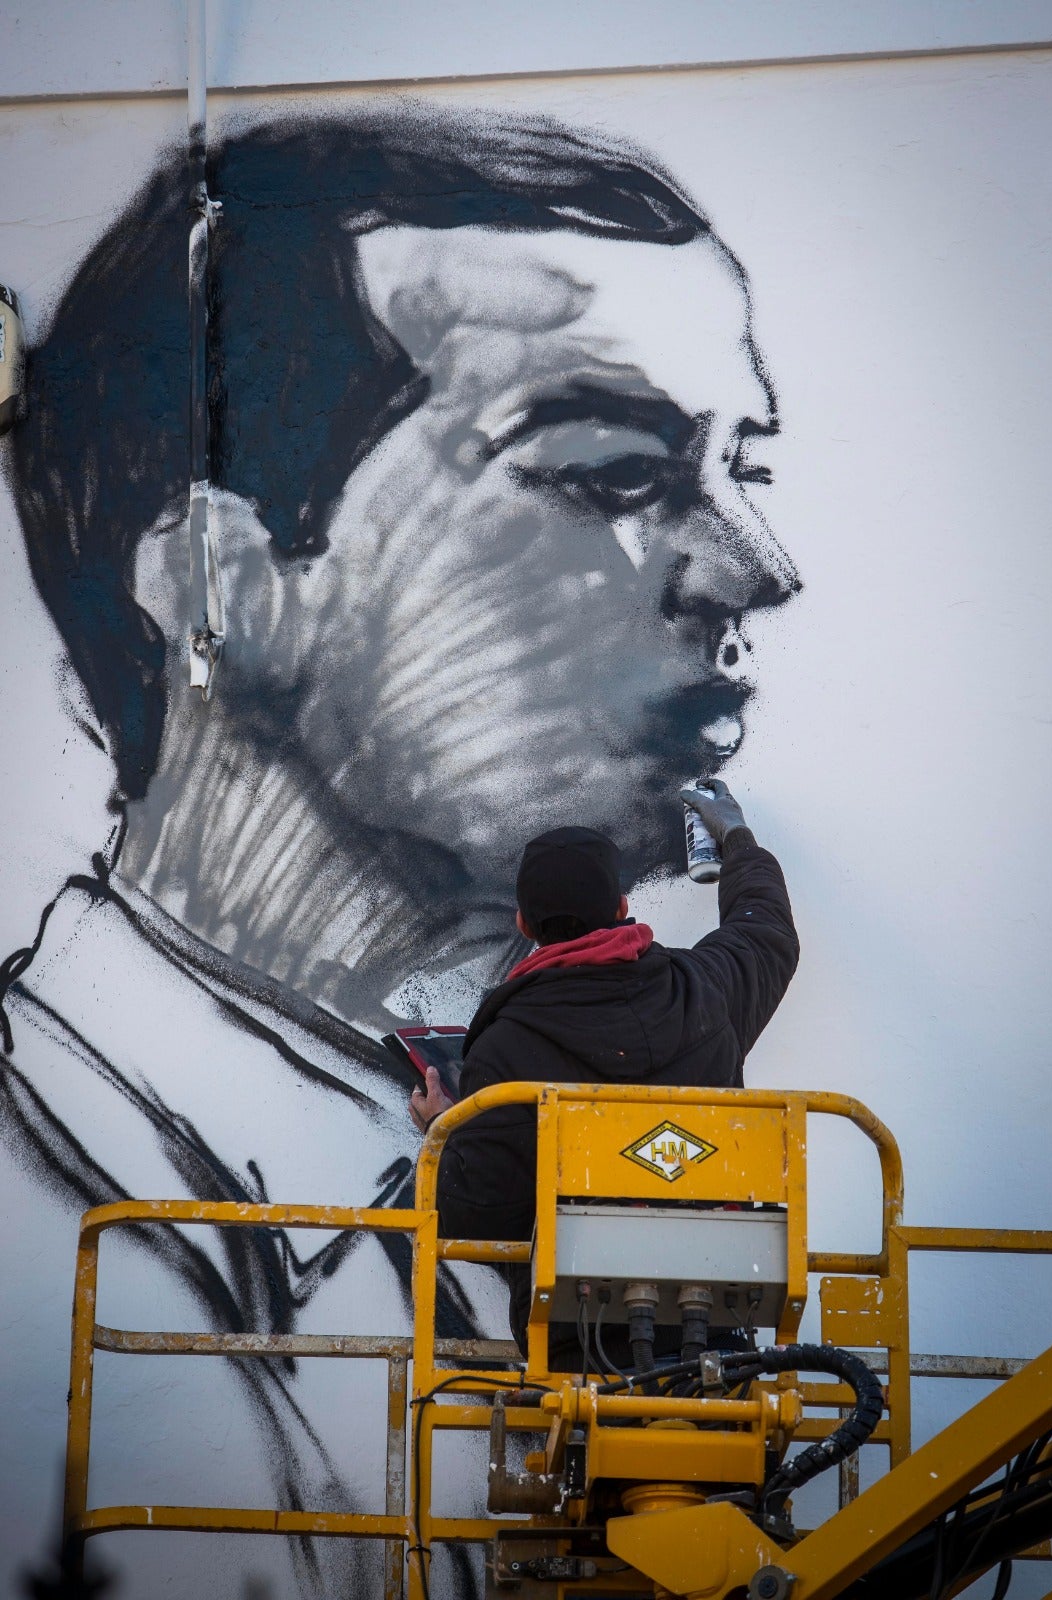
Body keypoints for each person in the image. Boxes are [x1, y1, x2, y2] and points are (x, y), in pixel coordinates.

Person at [1, 102, 798, 1596]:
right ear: (228, 584)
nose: (758, 568)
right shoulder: (42, 1219)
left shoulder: (461, 1118)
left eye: (747, 465)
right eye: (615, 475)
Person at [409, 780, 799, 1359]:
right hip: (717, 1332)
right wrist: (737, 839)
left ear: (523, 924)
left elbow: (473, 1214)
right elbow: (766, 935)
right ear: (621, 909)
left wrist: (443, 1131)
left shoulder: (508, 1044)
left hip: (573, 1346)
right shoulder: (705, 995)